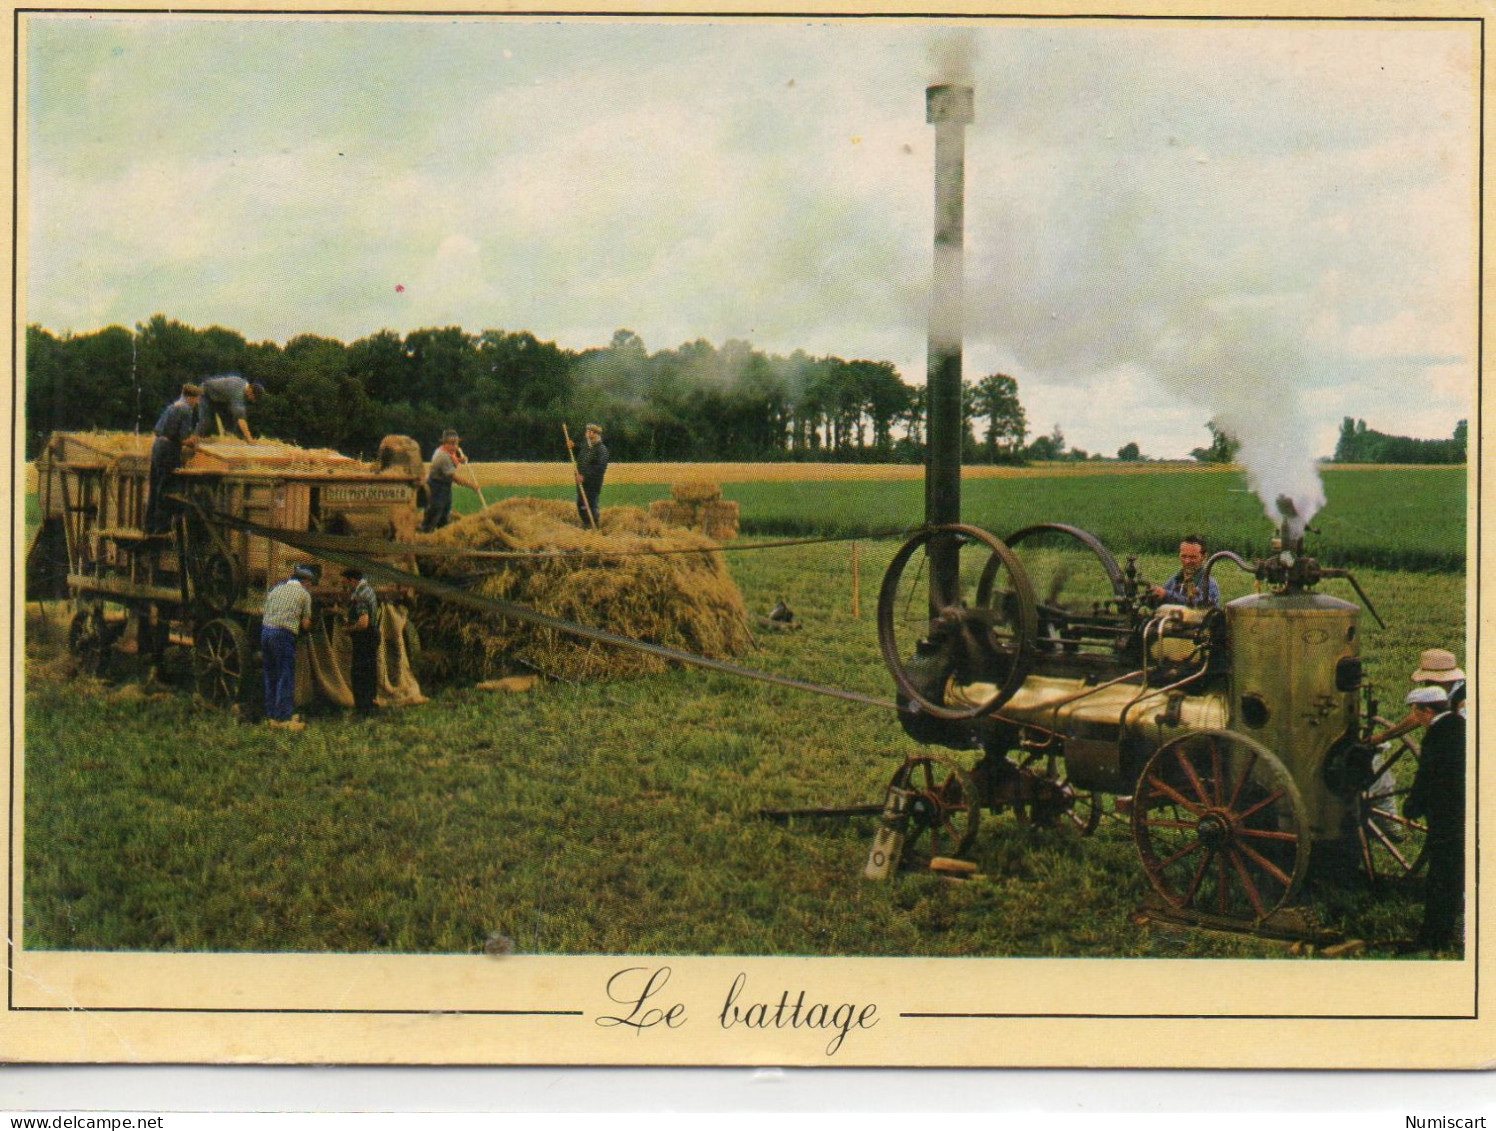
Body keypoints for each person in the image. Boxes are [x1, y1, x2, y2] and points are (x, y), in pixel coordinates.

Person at [1402, 684, 1466, 952]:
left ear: (1427, 710)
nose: (1415, 719)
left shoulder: (1436, 736)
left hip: (1445, 816)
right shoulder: (1460, 727)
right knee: (1452, 874)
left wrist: (1410, 809)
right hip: (1462, 813)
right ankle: (1445, 930)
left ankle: (1432, 936)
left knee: (1439, 877)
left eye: (1416, 713)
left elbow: (1425, 779)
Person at [261, 564, 315, 732]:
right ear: (305, 582)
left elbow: (265, 610)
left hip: (266, 632)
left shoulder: (275, 590)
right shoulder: (304, 595)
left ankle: (272, 715)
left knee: (271, 675)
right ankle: (284, 719)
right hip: (283, 635)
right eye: (310, 584)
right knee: (286, 674)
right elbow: (305, 624)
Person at [143, 382, 201, 534]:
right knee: (167, 486)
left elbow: (158, 429)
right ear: (190, 397)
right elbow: (182, 439)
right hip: (169, 450)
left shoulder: (172, 407)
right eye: (196, 399)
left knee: (155, 486)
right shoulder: (186, 410)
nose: (197, 402)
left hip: (157, 446)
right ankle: (162, 527)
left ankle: (149, 526)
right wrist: (194, 441)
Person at [422, 429, 479, 532]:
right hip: (436, 487)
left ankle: (441, 533)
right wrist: (471, 486)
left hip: (444, 487)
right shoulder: (442, 456)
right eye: (452, 444)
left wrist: (460, 460)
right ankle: (425, 534)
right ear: (444, 444)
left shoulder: (448, 452)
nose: (455, 447)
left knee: (445, 512)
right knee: (435, 511)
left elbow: (452, 460)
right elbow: (455, 478)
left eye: (456, 444)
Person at [343, 567, 380, 715]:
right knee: (370, 671)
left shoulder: (360, 594)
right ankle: (370, 704)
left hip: (364, 637)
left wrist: (349, 629)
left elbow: (363, 623)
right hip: (372, 635)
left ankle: (362, 708)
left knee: (359, 673)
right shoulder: (369, 589)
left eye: (346, 583)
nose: (347, 587)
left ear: (353, 580)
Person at [1150, 534, 1220, 609]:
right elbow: (1161, 600)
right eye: (1184, 556)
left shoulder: (1209, 584)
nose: (1187, 561)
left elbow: (1200, 604)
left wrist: (1166, 595)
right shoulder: (1175, 579)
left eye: (1192, 557)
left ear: (1204, 557)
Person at [195, 374, 264, 442]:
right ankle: (195, 440)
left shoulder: (243, 384)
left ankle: (228, 436)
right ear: (250, 391)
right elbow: (241, 419)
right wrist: (249, 438)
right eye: (253, 398)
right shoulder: (238, 393)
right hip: (205, 393)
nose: (251, 400)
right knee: (206, 421)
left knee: (230, 417)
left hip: (220, 398)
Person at [569, 422, 609, 527]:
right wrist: (573, 446)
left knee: (590, 506)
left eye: (589, 431)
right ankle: (586, 524)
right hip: (581, 483)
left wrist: (584, 476)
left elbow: (600, 468)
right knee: (581, 505)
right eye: (587, 431)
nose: (586, 433)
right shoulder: (587, 446)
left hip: (592, 484)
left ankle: (593, 525)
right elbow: (582, 451)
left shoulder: (601, 450)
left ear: (595, 434)